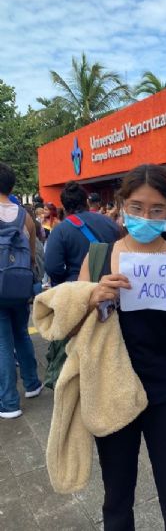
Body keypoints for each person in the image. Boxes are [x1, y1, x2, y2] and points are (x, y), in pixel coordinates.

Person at [77, 164, 166, 528]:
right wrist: (94, 298)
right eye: (137, 207)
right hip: (112, 390)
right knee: (116, 496)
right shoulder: (98, 257)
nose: (145, 216)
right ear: (122, 205)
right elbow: (75, 327)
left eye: (157, 209)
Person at [0, 162, 41, 419]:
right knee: (22, 334)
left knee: (3, 344)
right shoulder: (25, 216)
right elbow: (34, 255)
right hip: (21, 285)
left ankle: (9, 402)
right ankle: (32, 383)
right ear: (12, 186)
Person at [43, 181, 120, 286]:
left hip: (79, 289)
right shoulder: (109, 222)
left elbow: (52, 267)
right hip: (111, 285)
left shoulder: (60, 230)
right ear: (86, 202)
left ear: (64, 207)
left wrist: (67, 281)